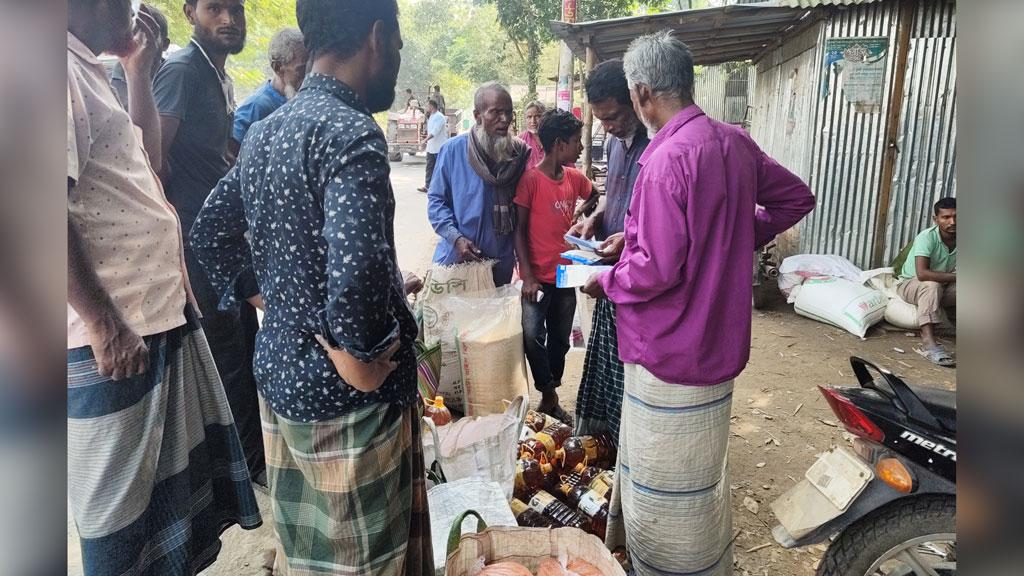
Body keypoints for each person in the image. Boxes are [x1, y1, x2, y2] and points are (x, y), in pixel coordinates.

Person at [189, 1, 432, 573]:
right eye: (396, 46)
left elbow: (208, 233)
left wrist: (276, 303)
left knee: (309, 560)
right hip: (351, 410)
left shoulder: (267, 133)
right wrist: (362, 354)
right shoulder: (352, 134)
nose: (396, 59)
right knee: (365, 563)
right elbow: (354, 281)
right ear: (378, 37)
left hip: (282, 394)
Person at [582, 32, 814, 576]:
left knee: (667, 491)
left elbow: (657, 269)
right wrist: (733, 234)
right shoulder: (732, 141)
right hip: (717, 346)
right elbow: (793, 197)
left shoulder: (665, 160)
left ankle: (669, 566)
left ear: (641, 93)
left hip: (671, 351)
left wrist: (607, 278)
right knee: (702, 474)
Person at [67, 1, 260, 573]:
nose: (132, 10)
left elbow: (149, 163)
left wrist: (134, 72)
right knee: (120, 524)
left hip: (155, 318)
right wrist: (103, 324)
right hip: (115, 336)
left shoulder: (89, 71)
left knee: (166, 508)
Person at [153, 0, 267, 487]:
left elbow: (213, 152)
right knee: (229, 356)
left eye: (235, 9)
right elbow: (151, 159)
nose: (229, 20)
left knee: (244, 342)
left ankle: (253, 456)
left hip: (223, 238)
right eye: (215, 8)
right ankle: (248, 468)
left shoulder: (216, 73)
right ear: (189, 13)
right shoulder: (182, 70)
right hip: (197, 245)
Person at [569, 58, 650, 444]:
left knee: (630, 374)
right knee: (607, 365)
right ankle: (606, 443)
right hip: (608, 271)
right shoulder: (615, 144)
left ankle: (625, 446)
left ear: (636, 100)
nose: (608, 126)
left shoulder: (658, 147)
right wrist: (596, 219)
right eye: (601, 119)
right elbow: (612, 197)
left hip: (637, 280)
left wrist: (628, 240)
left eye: (614, 116)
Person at [515, 110, 591, 424]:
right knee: (532, 335)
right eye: (576, 142)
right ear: (559, 144)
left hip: (565, 275)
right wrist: (529, 276)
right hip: (537, 278)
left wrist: (583, 220)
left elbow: (594, 195)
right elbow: (518, 230)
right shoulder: (531, 180)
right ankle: (548, 392)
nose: (582, 148)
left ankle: (551, 393)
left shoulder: (574, 177)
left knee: (561, 338)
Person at [428, 82, 530, 286]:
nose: (504, 120)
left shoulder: (519, 155)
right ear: (477, 116)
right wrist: (456, 238)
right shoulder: (452, 151)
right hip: (457, 261)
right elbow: (436, 202)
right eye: (496, 112)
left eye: (508, 113)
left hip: (500, 264)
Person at [229, 27, 308, 158]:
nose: (308, 76)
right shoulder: (256, 106)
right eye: (301, 70)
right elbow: (230, 154)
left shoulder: (297, 100)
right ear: (278, 68)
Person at [896, 197, 957, 366]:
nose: (952, 222)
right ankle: (929, 342)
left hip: (942, 286)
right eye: (946, 217)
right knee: (931, 285)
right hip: (910, 284)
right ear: (935, 219)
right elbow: (922, 274)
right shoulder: (927, 237)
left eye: (957, 217)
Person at [109, 3, 169, 110]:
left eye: (151, 34)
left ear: (165, 44)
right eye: (134, 33)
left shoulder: (174, 78)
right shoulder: (106, 80)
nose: (142, 41)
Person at [419, 98, 448, 193]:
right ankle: (427, 186)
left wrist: (425, 140)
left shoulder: (440, 117)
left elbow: (435, 131)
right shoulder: (431, 116)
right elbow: (429, 131)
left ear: (431, 106)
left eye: (427, 106)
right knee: (429, 168)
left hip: (439, 148)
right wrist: (426, 143)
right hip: (431, 147)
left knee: (440, 169)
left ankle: (441, 188)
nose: (426, 107)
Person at [519, 101, 546, 170]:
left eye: (537, 116)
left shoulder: (554, 138)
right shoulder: (520, 140)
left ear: (544, 117)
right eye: (529, 117)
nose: (533, 121)